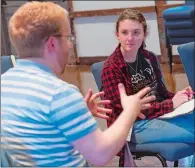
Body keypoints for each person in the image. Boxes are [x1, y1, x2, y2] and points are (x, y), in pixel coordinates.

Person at [1, 2, 155, 167]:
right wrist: (131, 111)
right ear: (52, 43)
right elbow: (101, 155)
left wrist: (74, 113)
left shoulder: (5, 84)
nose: (69, 45)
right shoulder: (60, 94)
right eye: (68, 38)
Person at [101, 8, 194, 167]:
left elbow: (161, 93)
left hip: (157, 114)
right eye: (125, 32)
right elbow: (130, 113)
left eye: (136, 32)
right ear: (117, 35)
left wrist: (179, 96)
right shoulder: (111, 69)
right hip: (132, 126)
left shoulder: (149, 57)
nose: (130, 38)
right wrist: (171, 104)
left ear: (144, 34)